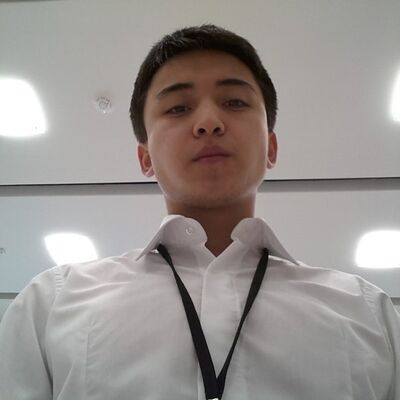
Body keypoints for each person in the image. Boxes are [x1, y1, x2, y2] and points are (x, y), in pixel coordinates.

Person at [0, 24, 399, 400]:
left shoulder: (368, 314)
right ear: (145, 158)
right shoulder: (52, 305)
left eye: (235, 102)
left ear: (271, 148)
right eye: (177, 108)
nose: (209, 122)